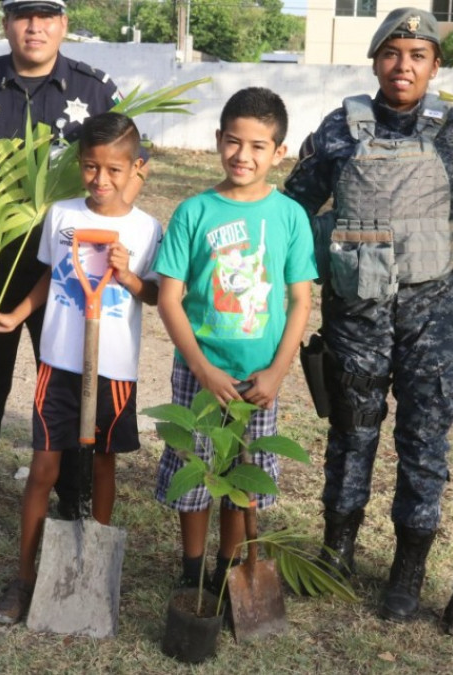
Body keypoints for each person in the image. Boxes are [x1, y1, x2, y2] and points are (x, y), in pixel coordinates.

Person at [283, 8, 453, 621]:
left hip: (436, 311)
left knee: (424, 438)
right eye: (392, 53)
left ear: (434, 63)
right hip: (357, 308)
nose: (403, 66)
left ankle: (408, 569)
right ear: (376, 60)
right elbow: (294, 207)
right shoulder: (338, 128)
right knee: (351, 430)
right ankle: (338, 550)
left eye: (417, 55)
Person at [0, 0, 142, 539]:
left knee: (67, 377)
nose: (34, 26)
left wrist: (110, 221)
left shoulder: (93, 89)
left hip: (69, 272)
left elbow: (135, 164)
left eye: (46, 16)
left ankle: (73, 491)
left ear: (64, 25)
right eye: (23, 14)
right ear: (6, 23)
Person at [0, 112, 161, 624]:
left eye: (114, 170)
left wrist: (128, 277)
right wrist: (14, 315)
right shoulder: (60, 215)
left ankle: (92, 567)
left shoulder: (148, 230)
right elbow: (46, 276)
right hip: (58, 363)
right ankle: (24, 577)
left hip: (113, 369)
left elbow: (160, 295)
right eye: (90, 168)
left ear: (137, 168)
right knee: (43, 468)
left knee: (103, 464)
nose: (100, 180)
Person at [153, 87, 316, 592]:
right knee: (196, 470)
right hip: (200, 370)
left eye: (258, 146)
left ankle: (230, 570)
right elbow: (168, 299)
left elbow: (300, 302)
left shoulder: (289, 216)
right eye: (233, 141)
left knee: (242, 477)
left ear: (279, 152)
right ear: (217, 140)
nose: (243, 155)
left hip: (258, 378)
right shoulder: (193, 212)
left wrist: (277, 372)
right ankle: (191, 570)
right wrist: (203, 368)